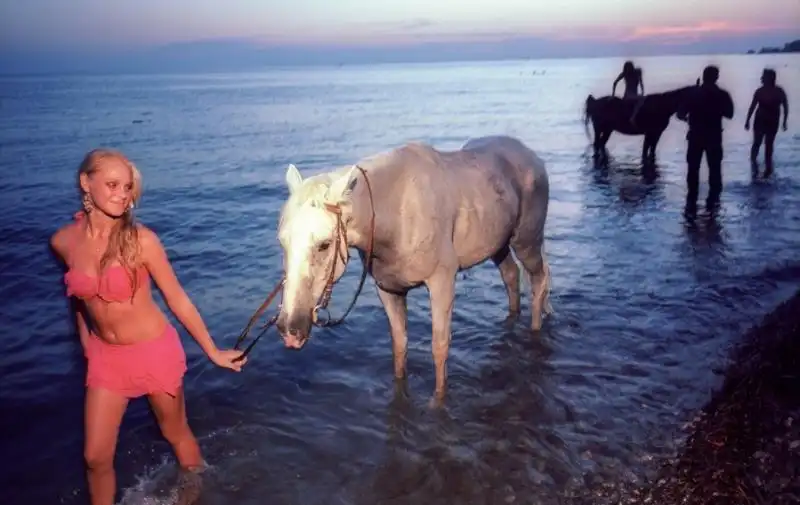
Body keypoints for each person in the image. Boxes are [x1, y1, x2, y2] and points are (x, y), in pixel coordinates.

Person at [49, 148, 247, 505]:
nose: (121, 194)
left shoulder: (142, 241)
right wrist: (87, 345)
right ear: (85, 182)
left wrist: (213, 352)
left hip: (154, 352)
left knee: (176, 433)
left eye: (127, 188)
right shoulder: (63, 242)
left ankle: (193, 496)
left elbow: (178, 300)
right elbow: (77, 301)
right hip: (107, 360)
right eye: (112, 184)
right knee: (95, 458)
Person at [676, 65, 735, 213]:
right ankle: (713, 207)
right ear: (716, 77)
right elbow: (730, 114)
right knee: (715, 171)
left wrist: (690, 116)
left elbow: (680, 114)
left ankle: (691, 205)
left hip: (696, 135)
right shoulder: (722, 94)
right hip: (714, 136)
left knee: (693, 170)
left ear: (703, 76)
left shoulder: (693, 94)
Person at [745, 68, 789, 178]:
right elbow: (752, 106)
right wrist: (747, 120)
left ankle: (768, 170)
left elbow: (785, 106)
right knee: (757, 143)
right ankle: (754, 166)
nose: (761, 78)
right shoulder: (759, 91)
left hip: (772, 121)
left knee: (769, 145)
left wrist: (784, 121)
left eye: (764, 76)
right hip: (760, 120)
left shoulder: (779, 91)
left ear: (770, 78)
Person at [612, 60, 645, 126]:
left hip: (633, 94)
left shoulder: (637, 72)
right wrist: (613, 95)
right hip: (628, 95)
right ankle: (632, 117)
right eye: (628, 67)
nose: (628, 69)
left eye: (629, 67)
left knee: (643, 99)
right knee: (642, 99)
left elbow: (641, 82)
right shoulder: (625, 74)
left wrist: (642, 92)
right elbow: (615, 82)